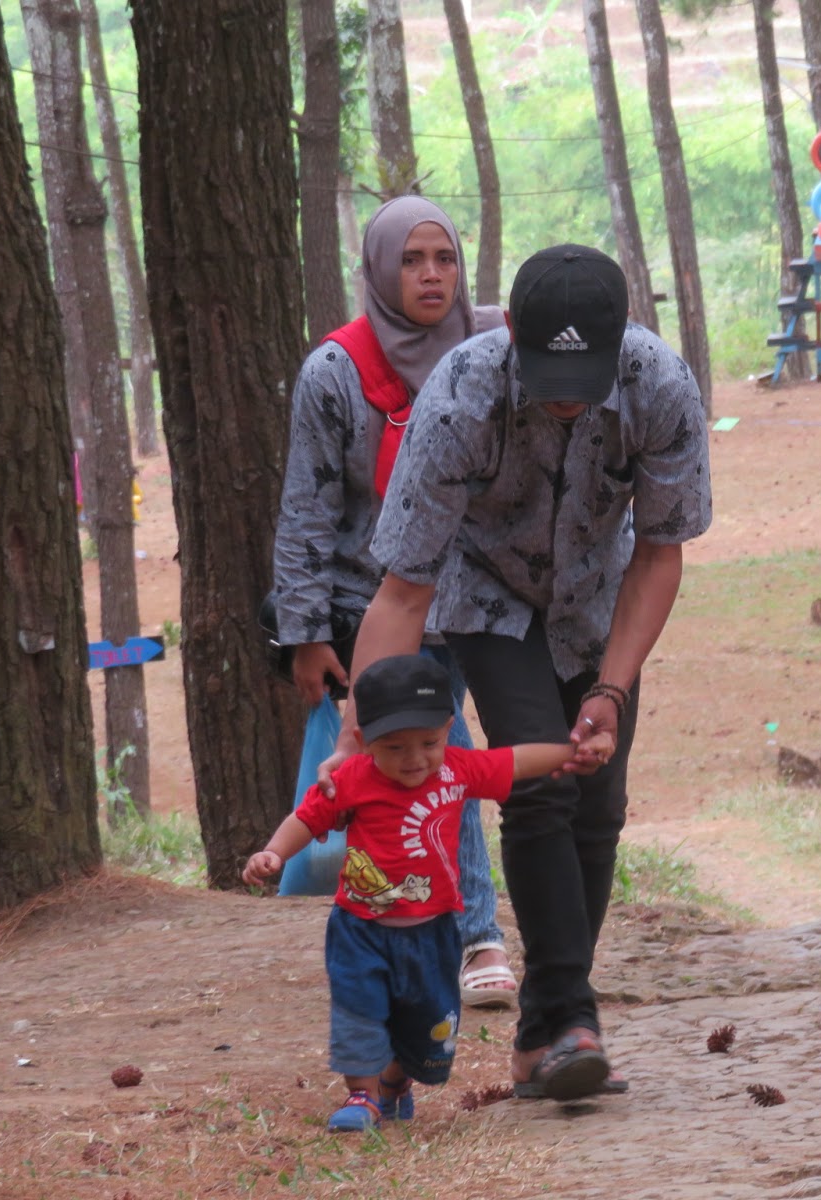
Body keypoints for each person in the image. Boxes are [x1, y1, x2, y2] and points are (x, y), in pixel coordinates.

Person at [323, 243, 713, 1103]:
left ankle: (542, 1037)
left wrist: (612, 687)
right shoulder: (462, 393)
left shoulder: (661, 387)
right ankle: (574, 1020)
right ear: (515, 342)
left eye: (583, 375)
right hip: (485, 593)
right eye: (547, 372)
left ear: (620, 347)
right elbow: (403, 588)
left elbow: (658, 553)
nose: (566, 393)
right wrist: (357, 729)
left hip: (601, 599)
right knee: (537, 773)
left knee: (596, 799)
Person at [271, 196, 520, 1011]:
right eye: (412, 261)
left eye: (444, 259)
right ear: (380, 269)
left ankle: (445, 929)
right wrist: (305, 633)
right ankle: (476, 935)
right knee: (436, 754)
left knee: (465, 759)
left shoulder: (494, 345)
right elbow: (306, 508)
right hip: (377, 603)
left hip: (485, 594)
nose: (431, 277)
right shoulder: (336, 371)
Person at [243, 655, 612, 1131]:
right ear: (363, 741)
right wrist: (274, 854)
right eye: (394, 747)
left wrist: (570, 754)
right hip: (361, 929)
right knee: (360, 1012)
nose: (415, 759)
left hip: (435, 932)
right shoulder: (352, 780)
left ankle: (395, 1083)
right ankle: (363, 1095)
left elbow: (515, 760)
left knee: (426, 1026)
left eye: (429, 743)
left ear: (449, 728)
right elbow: (307, 818)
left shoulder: (458, 769)